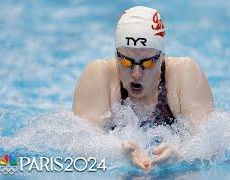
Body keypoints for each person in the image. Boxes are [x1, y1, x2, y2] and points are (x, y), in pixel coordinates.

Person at [72, 6, 214, 171]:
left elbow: (211, 143)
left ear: (161, 57)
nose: (136, 73)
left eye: (147, 62)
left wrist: (181, 156)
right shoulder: (99, 75)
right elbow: (79, 148)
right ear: (116, 54)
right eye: (126, 61)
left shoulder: (184, 73)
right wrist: (118, 154)